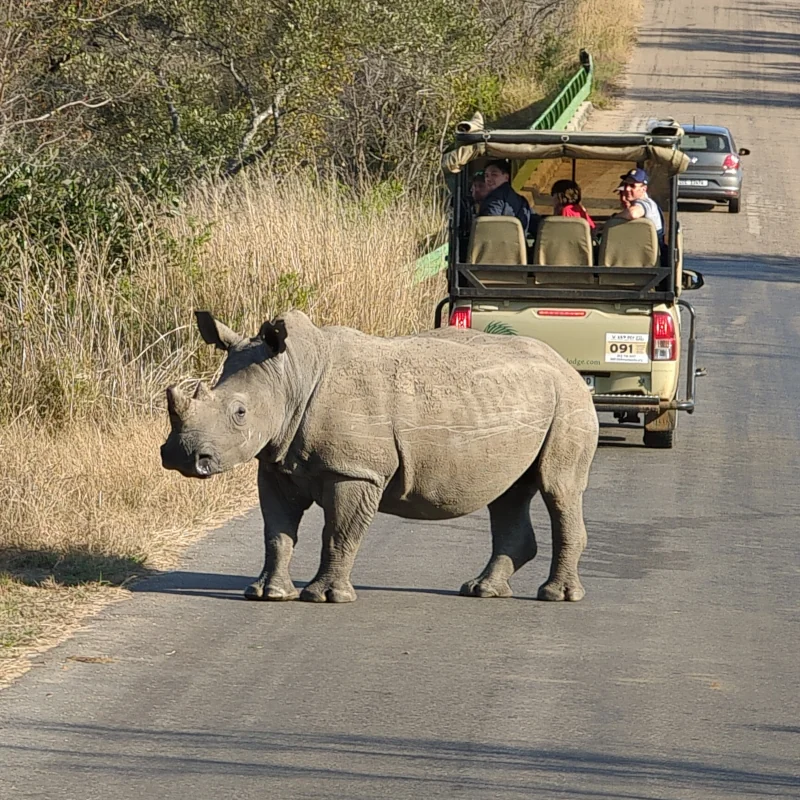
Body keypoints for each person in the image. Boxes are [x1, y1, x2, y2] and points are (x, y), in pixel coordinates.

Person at [479, 159, 541, 236]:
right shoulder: (522, 201)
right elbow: (537, 226)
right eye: (486, 175)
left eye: (494, 175)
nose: (488, 179)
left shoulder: (494, 198)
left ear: (506, 177)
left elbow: (490, 227)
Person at [613, 168, 664, 236]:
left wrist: (614, 218)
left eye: (632, 186)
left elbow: (632, 213)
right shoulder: (636, 203)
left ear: (643, 189)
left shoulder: (646, 203)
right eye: (626, 185)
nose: (627, 189)